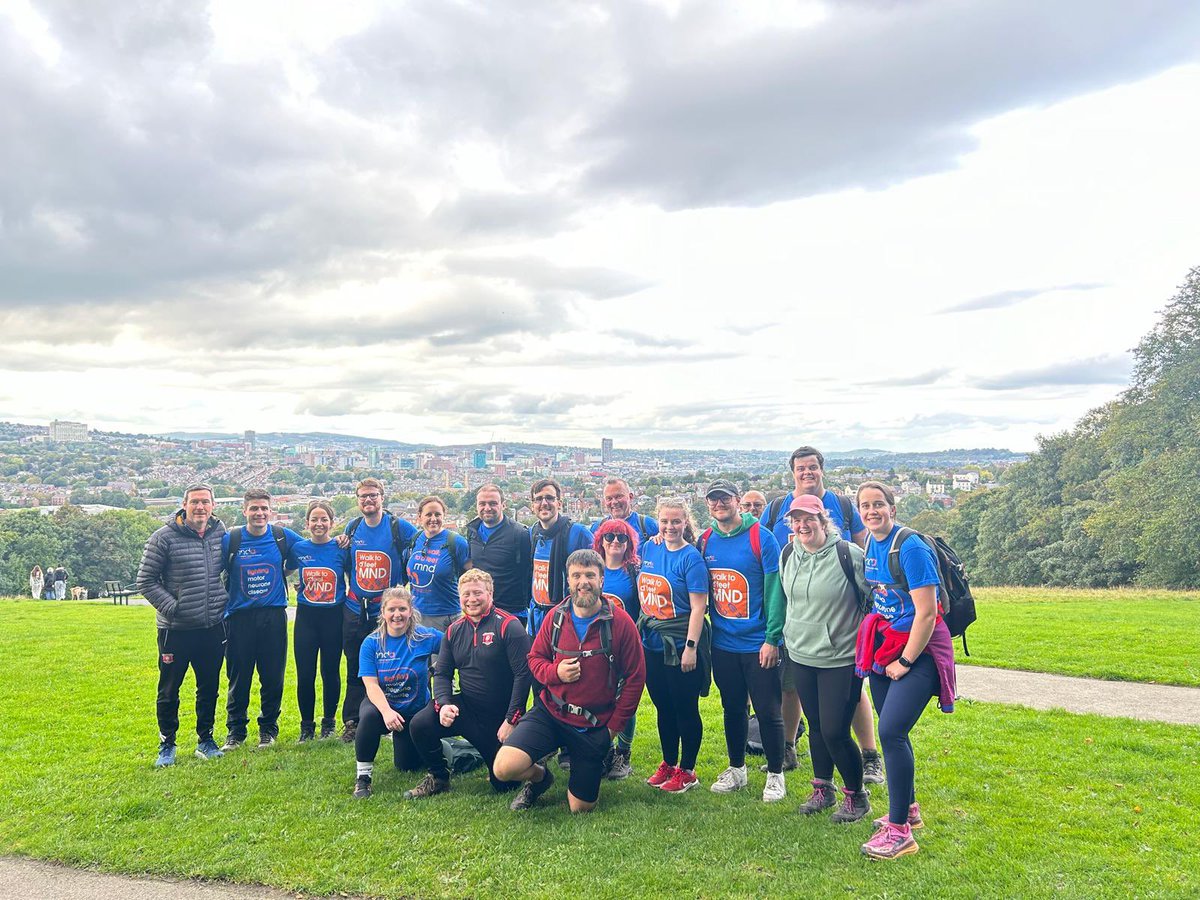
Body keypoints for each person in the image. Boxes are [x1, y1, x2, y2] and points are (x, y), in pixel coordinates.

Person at [761, 445, 881, 781]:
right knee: (793, 692)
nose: (807, 473)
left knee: (850, 700)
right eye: (801, 468)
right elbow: (774, 567)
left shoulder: (842, 507)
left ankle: (869, 755)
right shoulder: (777, 509)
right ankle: (791, 751)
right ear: (793, 472)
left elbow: (865, 553)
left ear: (822, 469)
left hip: (840, 637)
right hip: (800, 636)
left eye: (812, 467)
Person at [493, 549, 646, 813]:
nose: (582, 581)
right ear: (568, 580)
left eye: (590, 575)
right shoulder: (556, 617)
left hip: (593, 724)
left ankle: (591, 761)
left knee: (580, 808)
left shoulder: (621, 623)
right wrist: (556, 674)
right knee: (504, 768)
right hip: (551, 712)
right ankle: (540, 779)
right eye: (576, 575)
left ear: (601, 581)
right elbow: (535, 658)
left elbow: (635, 678)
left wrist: (612, 729)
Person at [856, 481, 957, 860]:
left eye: (878, 504)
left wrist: (907, 661)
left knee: (891, 730)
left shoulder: (909, 547)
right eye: (865, 506)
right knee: (891, 729)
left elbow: (928, 612)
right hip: (886, 642)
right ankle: (908, 810)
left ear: (892, 508)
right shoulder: (871, 542)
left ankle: (900, 832)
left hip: (920, 648)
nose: (871, 511)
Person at [781, 494, 873, 823]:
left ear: (823, 521)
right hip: (801, 653)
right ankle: (823, 788)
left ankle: (857, 796)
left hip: (841, 657)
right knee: (818, 727)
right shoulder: (788, 553)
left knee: (835, 730)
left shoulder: (848, 555)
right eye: (796, 519)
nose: (802, 525)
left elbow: (875, 598)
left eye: (809, 518)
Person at [405, 569, 532, 799]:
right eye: (466, 594)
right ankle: (439, 777)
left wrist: (511, 719)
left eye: (477, 593)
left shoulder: (509, 626)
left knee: (504, 784)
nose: (471, 599)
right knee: (421, 723)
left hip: (499, 718)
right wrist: (443, 704)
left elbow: (524, 675)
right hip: (467, 708)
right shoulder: (454, 630)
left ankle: (525, 750)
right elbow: (442, 673)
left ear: (490, 593)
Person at [699, 479, 787, 803]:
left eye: (725, 498)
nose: (719, 504)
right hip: (723, 642)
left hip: (758, 643)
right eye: (713, 500)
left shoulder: (760, 538)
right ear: (708, 504)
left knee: (767, 710)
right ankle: (737, 768)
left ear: (737, 500)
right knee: (732, 708)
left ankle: (776, 774)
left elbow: (776, 591)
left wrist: (772, 638)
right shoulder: (706, 540)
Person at [136, 483, 228, 767]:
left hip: (212, 626)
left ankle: (206, 739)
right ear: (184, 505)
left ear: (213, 506)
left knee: (209, 686)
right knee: (169, 689)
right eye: (195, 502)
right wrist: (173, 608)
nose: (200, 507)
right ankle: (167, 743)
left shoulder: (222, 535)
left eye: (205, 502)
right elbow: (146, 581)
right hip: (174, 630)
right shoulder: (163, 537)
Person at [638, 497, 710, 794]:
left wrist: (690, 647)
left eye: (676, 521)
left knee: (685, 708)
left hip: (680, 641)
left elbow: (698, 607)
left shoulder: (691, 558)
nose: (670, 526)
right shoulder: (649, 548)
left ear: (686, 523)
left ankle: (688, 770)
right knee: (662, 706)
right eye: (665, 521)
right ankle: (668, 762)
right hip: (652, 642)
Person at [221, 489, 302, 750]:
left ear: (271, 511)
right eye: (254, 508)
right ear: (245, 511)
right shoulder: (231, 539)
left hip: (273, 616)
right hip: (238, 617)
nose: (259, 513)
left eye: (264, 509)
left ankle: (268, 729)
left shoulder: (281, 536)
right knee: (238, 676)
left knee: (272, 676)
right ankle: (236, 731)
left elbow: (311, 548)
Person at [340, 478, 418, 742]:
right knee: (354, 667)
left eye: (373, 496)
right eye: (363, 496)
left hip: (385, 612)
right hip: (354, 609)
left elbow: (422, 545)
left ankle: (390, 717)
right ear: (357, 500)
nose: (368, 501)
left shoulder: (398, 527)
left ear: (382, 498)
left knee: (390, 665)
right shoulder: (353, 528)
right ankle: (353, 721)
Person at [352, 587, 442, 799]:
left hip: (414, 714)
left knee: (406, 766)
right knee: (369, 716)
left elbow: (455, 646)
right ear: (383, 612)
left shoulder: (425, 636)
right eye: (391, 609)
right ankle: (363, 779)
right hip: (384, 708)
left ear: (410, 611)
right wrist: (387, 712)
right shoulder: (371, 644)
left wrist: (440, 668)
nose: (397, 614)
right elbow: (371, 685)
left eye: (402, 608)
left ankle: (447, 749)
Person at [288, 500, 348, 742]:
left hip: (334, 617)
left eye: (324, 519)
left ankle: (329, 723)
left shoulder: (342, 548)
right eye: (315, 519)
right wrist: (298, 584)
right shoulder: (298, 549)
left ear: (332, 523)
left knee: (330, 671)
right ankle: (306, 726)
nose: (319, 523)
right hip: (306, 617)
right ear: (307, 523)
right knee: (305, 674)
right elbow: (286, 569)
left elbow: (354, 574)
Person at [592, 517, 641, 779]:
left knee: (626, 700)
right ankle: (606, 750)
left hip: (626, 645)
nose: (614, 542)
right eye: (608, 537)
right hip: (597, 645)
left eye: (621, 538)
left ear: (629, 543)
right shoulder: (595, 568)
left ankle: (624, 752)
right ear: (600, 541)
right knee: (601, 697)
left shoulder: (633, 571)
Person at [465, 484, 532, 623]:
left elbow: (529, 572)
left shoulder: (520, 534)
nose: (487, 508)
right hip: (481, 610)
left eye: (493, 503)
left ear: (503, 505)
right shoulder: (472, 531)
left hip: (511, 612)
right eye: (482, 503)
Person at [406, 495, 472, 633]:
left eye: (437, 514)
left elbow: (473, 577)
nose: (433, 519)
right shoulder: (416, 539)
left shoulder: (456, 542)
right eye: (428, 514)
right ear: (419, 517)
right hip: (416, 615)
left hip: (446, 616)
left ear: (444, 516)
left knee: (441, 655)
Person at [590, 477, 659, 543]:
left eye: (619, 496)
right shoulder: (597, 528)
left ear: (630, 497)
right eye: (609, 498)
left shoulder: (648, 525)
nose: (614, 502)